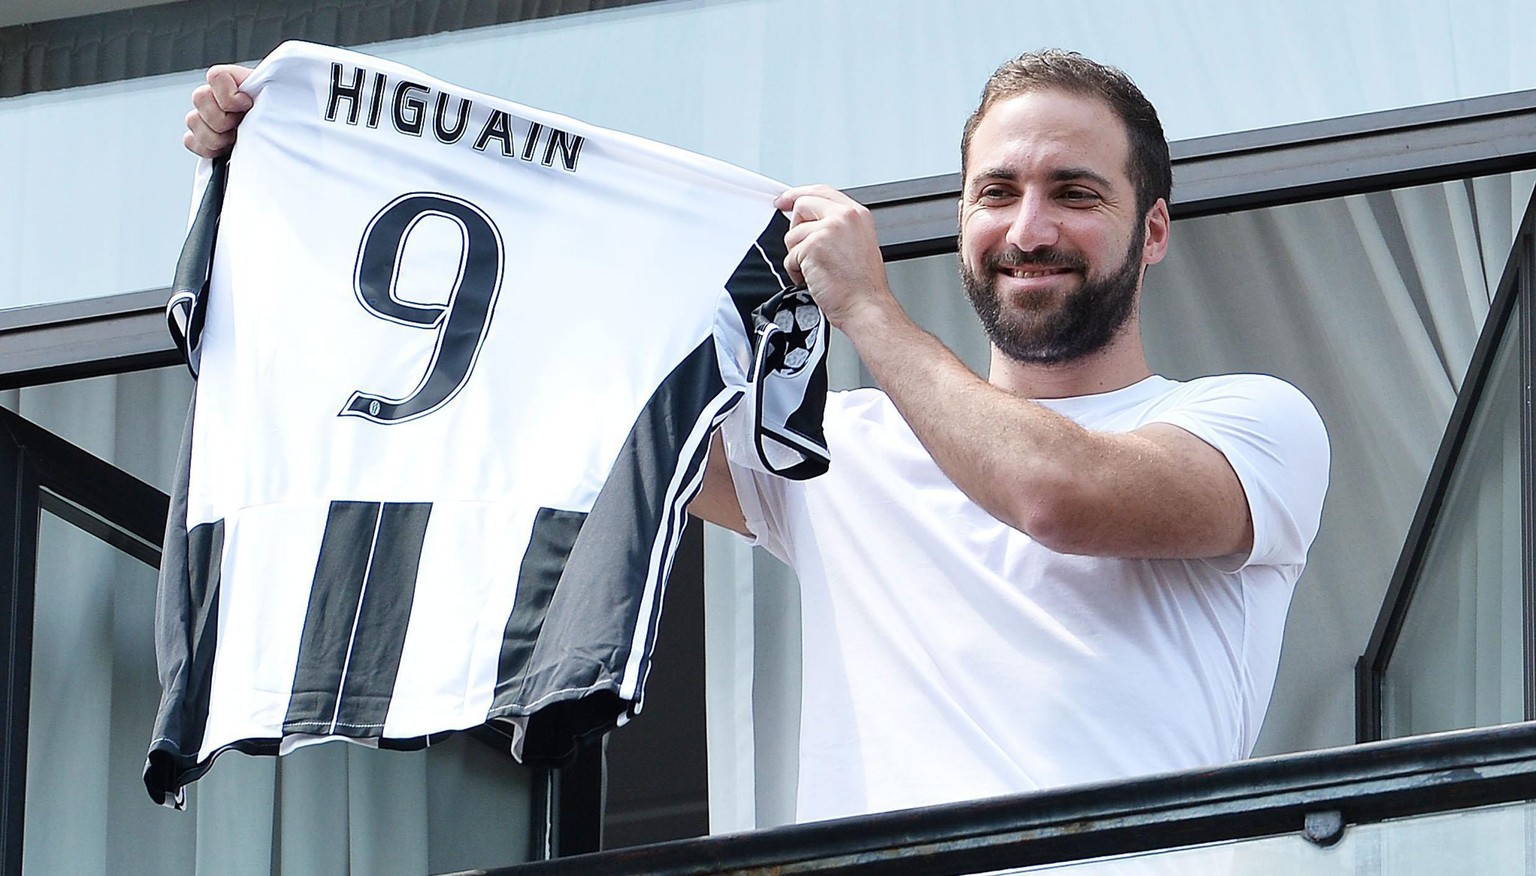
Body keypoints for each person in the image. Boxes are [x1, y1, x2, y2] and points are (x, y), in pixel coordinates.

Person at [184, 49, 1329, 824]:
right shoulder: (836, 441)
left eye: (1075, 191)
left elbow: (1054, 499)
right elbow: (553, 379)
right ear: (963, 217)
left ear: (1156, 229)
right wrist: (291, 171)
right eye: (998, 192)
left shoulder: (1248, 424)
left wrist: (868, 314)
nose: (1029, 228)